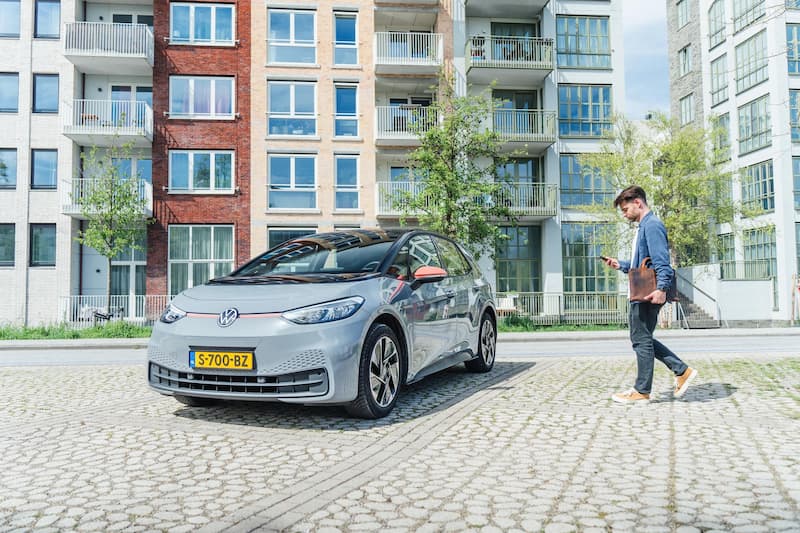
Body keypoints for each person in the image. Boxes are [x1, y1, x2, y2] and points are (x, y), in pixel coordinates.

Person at [601, 185, 697, 403]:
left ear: (638, 202)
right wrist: (622, 265)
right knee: (641, 338)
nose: (625, 215)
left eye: (625, 209)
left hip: (648, 293)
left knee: (641, 340)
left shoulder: (652, 225)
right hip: (644, 290)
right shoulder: (644, 226)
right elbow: (644, 264)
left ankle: (642, 390)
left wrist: (661, 289)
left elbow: (662, 262)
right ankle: (681, 371)